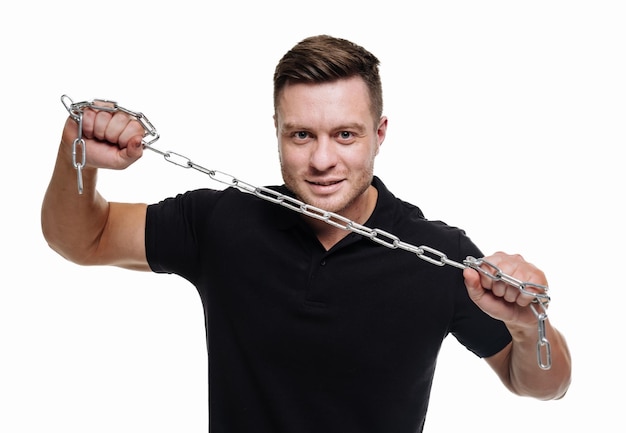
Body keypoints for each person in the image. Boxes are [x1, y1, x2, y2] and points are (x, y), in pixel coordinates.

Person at [41, 35, 571, 432]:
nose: (322, 160)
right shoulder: (221, 223)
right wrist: (78, 156)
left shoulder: (439, 255)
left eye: (345, 134)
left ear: (379, 134)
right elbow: (84, 238)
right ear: (277, 130)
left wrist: (527, 326)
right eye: (301, 135)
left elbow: (542, 384)